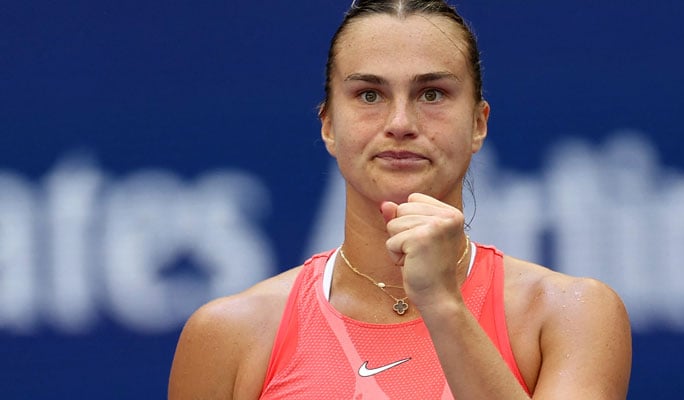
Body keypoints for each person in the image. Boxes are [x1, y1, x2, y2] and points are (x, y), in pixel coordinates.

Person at [168, 0, 632, 398]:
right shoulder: (229, 335)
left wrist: (442, 304)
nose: (400, 122)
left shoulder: (571, 314)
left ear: (478, 123)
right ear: (328, 125)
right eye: (369, 94)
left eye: (432, 93)